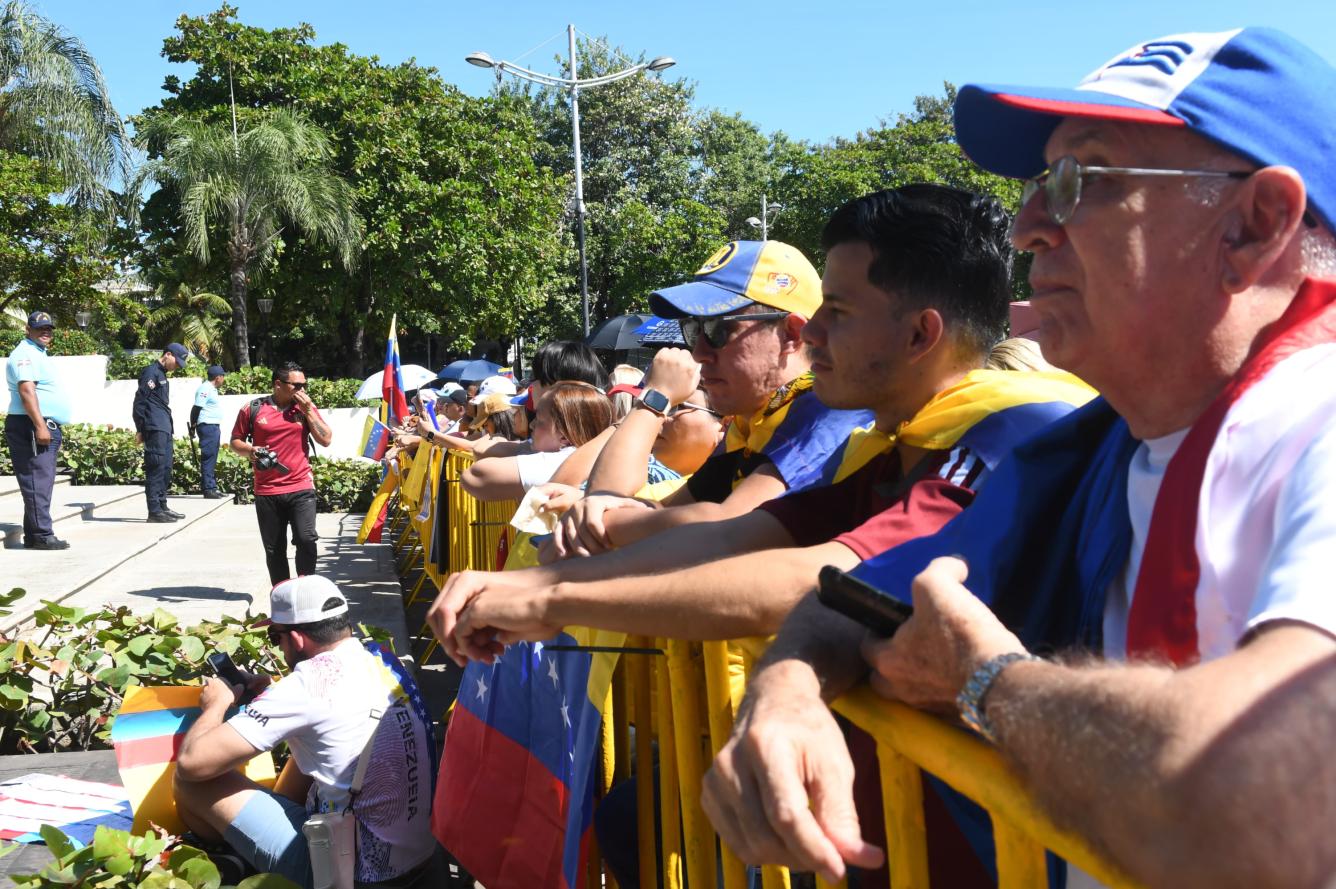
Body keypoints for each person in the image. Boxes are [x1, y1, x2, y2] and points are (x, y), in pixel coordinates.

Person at [702, 28, 1336, 889]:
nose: (1028, 226)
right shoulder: (1096, 449)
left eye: (1081, 179)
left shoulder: (1316, 422)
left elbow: (1266, 794)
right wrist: (785, 697)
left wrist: (991, 686)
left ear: (1254, 225)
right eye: (1038, 187)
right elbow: (857, 598)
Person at [174, 575, 437, 889]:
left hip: (351, 873)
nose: (279, 646)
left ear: (297, 639)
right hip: (417, 858)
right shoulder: (382, 660)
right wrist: (272, 690)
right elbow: (327, 706)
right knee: (309, 746)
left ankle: (226, 855)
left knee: (191, 783)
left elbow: (192, 763)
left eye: (275, 637)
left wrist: (215, 706)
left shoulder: (305, 687)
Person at [230, 362, 334, 585]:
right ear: (278, 384)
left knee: (306, 540)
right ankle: (282, 596)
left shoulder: (304, 408)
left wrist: (308, 412)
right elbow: (235, 442)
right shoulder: (253, 409)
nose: (302, 390)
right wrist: (251, 450)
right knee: (274, 549)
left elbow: (325, 439)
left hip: (301, 487)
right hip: (267, 491)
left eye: (304, 385)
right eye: (297, 385)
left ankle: (306, 589)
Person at [458, 380, 613, 501]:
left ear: (564, 436)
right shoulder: (600, 455)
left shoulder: (559, 461)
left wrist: (531, 448)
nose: (531, 424)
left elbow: (474, 476)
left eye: (539, 420)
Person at [4, 310, 72, 549]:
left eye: (49, 328)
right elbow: (26, 391)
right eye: (40, 327)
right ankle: (42, 535)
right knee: (37, 480)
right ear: (28, 330)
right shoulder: (24, 354)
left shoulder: (37, 353)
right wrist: (40, 425)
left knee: (40, 481)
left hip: (40, 424)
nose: (46, 332)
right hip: (31, 425)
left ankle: (34, 535)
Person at [133, 342, 190, 523]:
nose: (177, 367)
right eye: (177, 362)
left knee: (165, 468)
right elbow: (139, 401)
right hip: (154, 426)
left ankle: (162, 505)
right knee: (155, 467)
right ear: (167, 354)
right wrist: (140, 428)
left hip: (164, 427)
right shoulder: (151, 372)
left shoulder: (162, 374)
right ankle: (154, 510)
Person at [191, 365, 228, 499]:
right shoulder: (205, 388)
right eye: (223, 376)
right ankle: (208, 489)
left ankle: (212, 487)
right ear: (218, 377)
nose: (224, 379)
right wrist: (193, 426)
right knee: (208, 457)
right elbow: (196, 408)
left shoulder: (211, 389)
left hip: (212, 426)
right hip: (207, 426)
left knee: (212, 457)